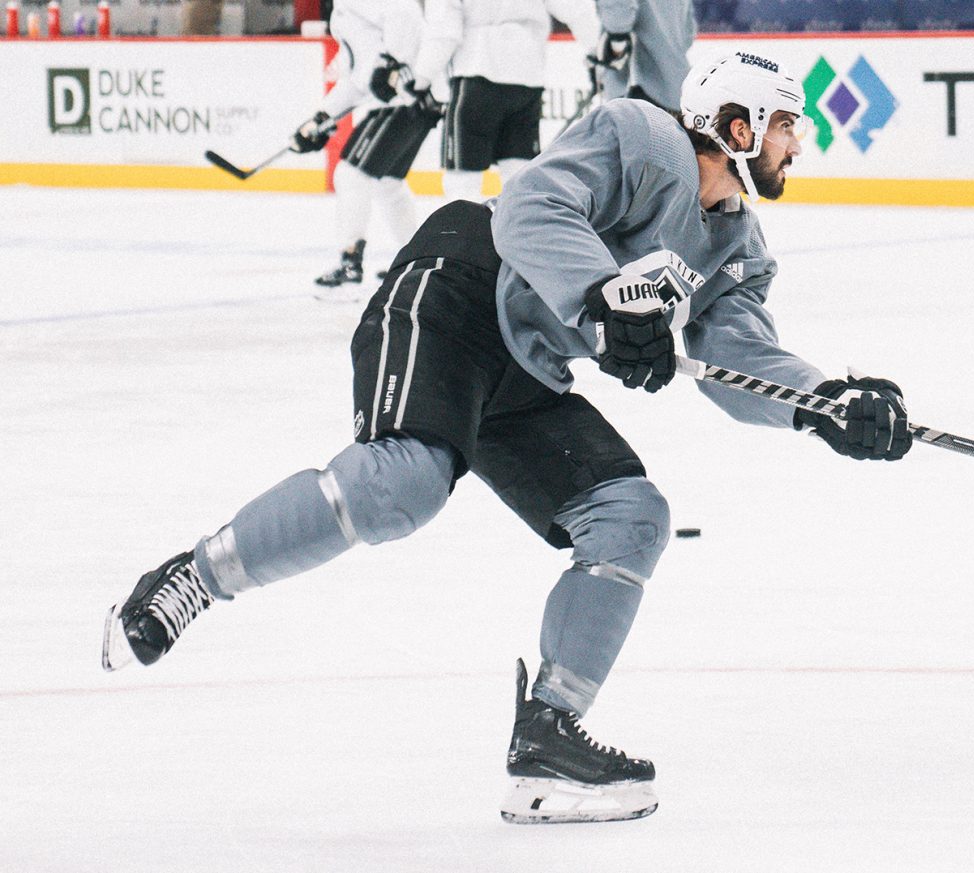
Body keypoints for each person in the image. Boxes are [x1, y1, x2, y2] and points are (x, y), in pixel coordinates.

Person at [100, 50, 912, 824]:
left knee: (629, 515)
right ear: (738, 125)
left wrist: (827, 403)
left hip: (531, 361)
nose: (796, 143)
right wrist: (603, 299)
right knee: (404, 484)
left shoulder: (736, 246)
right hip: (456, 287)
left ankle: (548, 737)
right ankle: (196, 576)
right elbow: (531, 206)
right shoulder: (644, 136)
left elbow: (740, 356)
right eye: (784, 125)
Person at [288, 0, 439, 296]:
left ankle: (350, 263)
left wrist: (393, 64)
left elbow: (404, 12)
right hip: (406, 101)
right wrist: (322, 116)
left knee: (351, 175)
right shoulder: (342, 9)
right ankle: (418, 260)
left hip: (403, 99)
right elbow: (359, 79)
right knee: (387, 183)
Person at [409, 0, 600, 204]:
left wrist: (420, 79)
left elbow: (445, 31)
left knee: (463, 182)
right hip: (527, 76)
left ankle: (463, 235)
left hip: (477, 73)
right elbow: (575, 9)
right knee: (519, 179)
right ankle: (519, 234)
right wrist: (599, 50)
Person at [593, 0, 696, 113]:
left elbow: (619, 15)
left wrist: (615, 42)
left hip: (637, 85)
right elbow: (688, 31)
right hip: (675, 87)